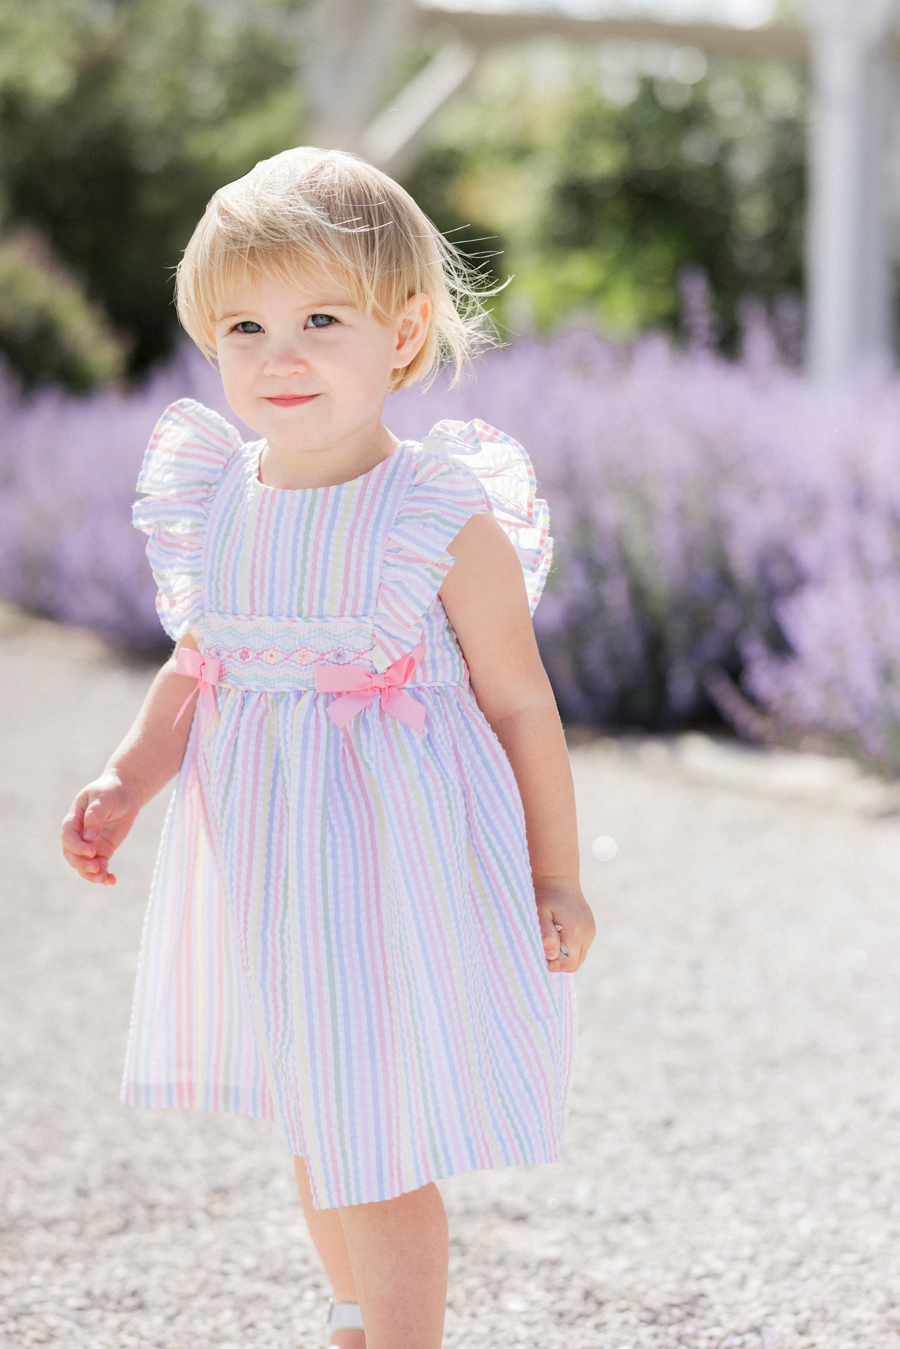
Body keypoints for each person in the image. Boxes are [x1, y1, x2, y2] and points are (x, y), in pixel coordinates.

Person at [60, 146, 595, 1349]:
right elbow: (204, 661)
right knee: (313, 1109)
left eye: (319, 318)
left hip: (400, 861)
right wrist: (127, 777)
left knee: (378, 1128)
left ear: (403, 334)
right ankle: (354, 1315)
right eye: (243, 325)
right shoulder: (223, 496)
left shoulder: (438, 517)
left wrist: (555, 871)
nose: (277, 353)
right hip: (274, 860)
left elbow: (521, 705)